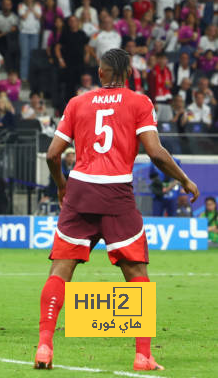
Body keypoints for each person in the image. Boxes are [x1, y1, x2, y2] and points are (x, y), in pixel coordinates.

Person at [34, 48, 199, 371]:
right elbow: (155, 152)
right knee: (137, 275)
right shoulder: (140, 103)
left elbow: (53, 155)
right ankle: (142, 355)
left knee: (60, 272)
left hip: (80, 189)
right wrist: (184, 179)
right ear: (130, 74)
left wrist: (61, 185)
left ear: (101, 73)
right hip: (116, 193)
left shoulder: (77, 103)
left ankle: (44, 346)